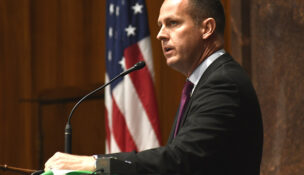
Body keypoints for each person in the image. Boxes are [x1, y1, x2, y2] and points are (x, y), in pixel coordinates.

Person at [44, 0, 263, 174]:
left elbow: (181, 159)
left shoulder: (223, 83)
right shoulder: (202, 82)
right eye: (160, 25)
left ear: (207, 28)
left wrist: (95, 163)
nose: (161, 34)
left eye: (173, 23)